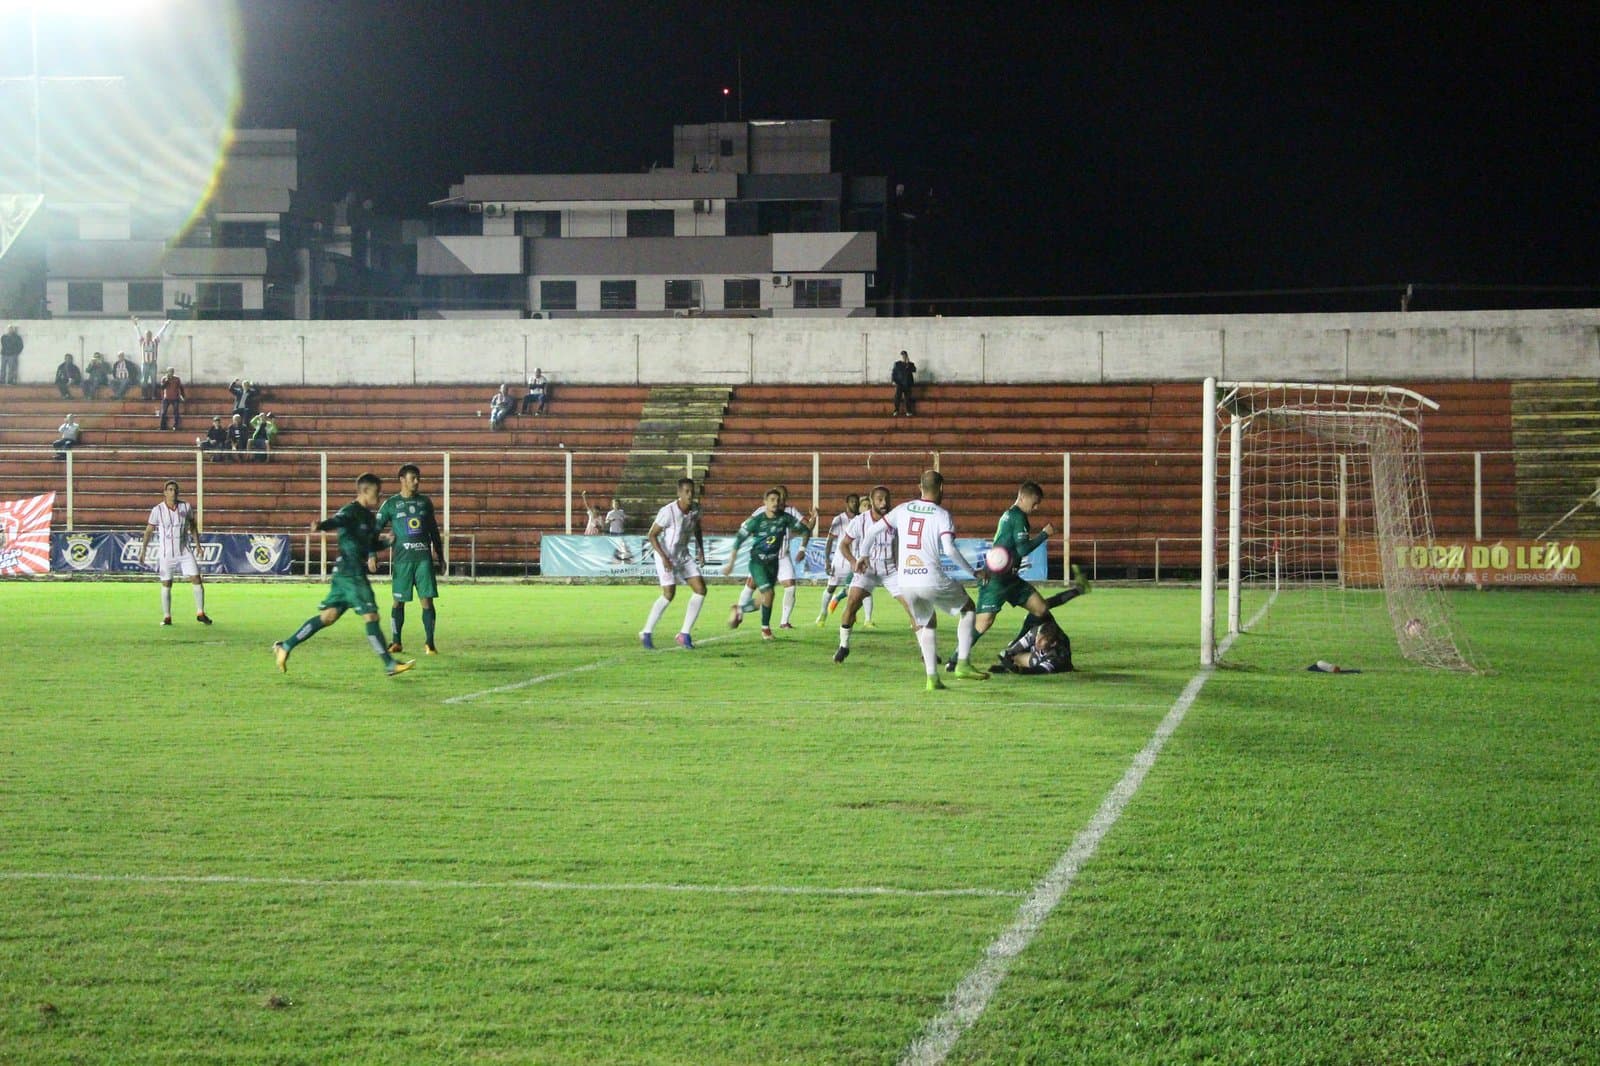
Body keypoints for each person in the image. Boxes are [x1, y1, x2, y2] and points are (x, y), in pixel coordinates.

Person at [855, 469, 988, 690]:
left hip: (905, 580)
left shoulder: (902, 509)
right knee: (968, 609)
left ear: (920, 487)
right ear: (942, 489)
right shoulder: (941, 514)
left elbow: (870, 533)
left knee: (927, 623)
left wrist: (863, 555)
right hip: (930, 577)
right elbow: (949, 549)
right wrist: (973, 572)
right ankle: (963, 662)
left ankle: (932, 679)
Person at [273, 472, 415, 677]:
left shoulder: (368, 516)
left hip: (345, 574)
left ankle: (285, 646)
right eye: (376, 492)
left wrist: (385, 542)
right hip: (351, 574)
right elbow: (337, 521)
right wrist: (321, 525)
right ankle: (389, 664)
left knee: (328, 617)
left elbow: (369, 545)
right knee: (371, 615)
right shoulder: (350, 511)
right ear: (365, 491)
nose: (379, 496)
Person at [953, 480, 1058, 671]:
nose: (1035, 508)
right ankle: (956, 659)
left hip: (1010, 578)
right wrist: (1044, 534)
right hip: (997, 580)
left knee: (1041, 609)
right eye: (1034, 503)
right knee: (983, 623)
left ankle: (1014, 649)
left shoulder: (1009, 514)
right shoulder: (1018, 517)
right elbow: (1023, 549)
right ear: (1023, 497)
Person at [722, 488, 816, 640]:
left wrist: (803, 546)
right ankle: (765, 630)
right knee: (767, 593)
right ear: (765, 502)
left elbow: (805, 530)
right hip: (758, 562)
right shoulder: (758, 519)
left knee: (763, 600)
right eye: (772, 500)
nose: (776, 503)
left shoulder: (785, 518)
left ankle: (739, 609)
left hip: (775, 562)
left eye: (777, 500)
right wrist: (731, 563)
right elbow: (739, 538)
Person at [375, 464, 445, 656]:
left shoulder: (425, 502)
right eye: (413, 478)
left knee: (427, 602)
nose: (416, 481)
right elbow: (375, 529)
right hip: (402, 561)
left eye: (418, 478)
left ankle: (430, 643)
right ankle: (396, 642)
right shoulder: (391, 504)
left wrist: (440, 555)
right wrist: (372, 554)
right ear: (402, 479)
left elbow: (434, 531)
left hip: (423, 560)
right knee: (398, 602)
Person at [832, 485, 907, 664]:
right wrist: (852, 562)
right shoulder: (860, 521)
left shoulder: (896, 520)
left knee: (912, 606)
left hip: (891, 570)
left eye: (887, 499)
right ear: (872, 501)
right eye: (880, 499)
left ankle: (925, 651)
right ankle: (843, 645)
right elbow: (844, 544)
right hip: (867, 570)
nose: (884, 503)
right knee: (852, 602)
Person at [639, 477, 708, 649]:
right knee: (669, 594)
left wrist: (700, 549)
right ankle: (646, 632)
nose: (690, 494)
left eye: (692, 491)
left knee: (700, 589)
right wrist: (664, 558)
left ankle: (684, 634)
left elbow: (697, 528)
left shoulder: (696, 509)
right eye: (686, 491)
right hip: (666, 555)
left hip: (682, 555)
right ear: (679, 493)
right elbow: (652, 535)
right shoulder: (668, 511)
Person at [135, 479, 213, 627]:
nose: (173, 492)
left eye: (175, 489)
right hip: (166, 553)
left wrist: (198, 545)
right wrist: (143, 550)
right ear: (165, 492)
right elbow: (149, 531)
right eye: (170, 489)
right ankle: (167, 616)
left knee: (196, 578)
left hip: (184, 550)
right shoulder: (157, 510)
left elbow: (193, 526)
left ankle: (200, 613)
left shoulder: (186, 507)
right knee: (167, 584)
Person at [815, 492, 861, 624]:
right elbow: (829, 540)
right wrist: (827, 561)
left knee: (861, 590)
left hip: (856, 560)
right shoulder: (839, 520)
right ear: (847, 503)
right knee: (831, 587)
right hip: (840, 561)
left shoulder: (862, 519)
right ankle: (823, 613)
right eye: (852, 501)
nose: (855, 504)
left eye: (856, 501)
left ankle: (864, 619)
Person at [991, 616, 1074, 675]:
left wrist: (1016, 669)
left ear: (1053, 643)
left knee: (1033, 662)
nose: (1037, 642)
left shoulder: (1057, 657)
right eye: (1038, 638)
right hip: (1040, 653)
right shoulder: (1036, 632)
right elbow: (1014, 649)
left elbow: (1038, 670)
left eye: (1042, 641)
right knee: (1014, 656)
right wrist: (1006, 657)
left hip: (1053, 662)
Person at [132, 315, 172, 402]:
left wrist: (166, 325)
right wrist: (136, 325)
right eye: (147, 335)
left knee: (154, 380)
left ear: (151, 335)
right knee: (144, 380)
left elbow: (161, 333)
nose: (149, 336)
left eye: (150, 335)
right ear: (145, 336)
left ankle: (154, 395)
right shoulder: (142, 341)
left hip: (153, 364)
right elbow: (138, 332)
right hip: (145, 364)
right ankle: (144, 395)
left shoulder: (155, 342)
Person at [892, 349, 917, 416]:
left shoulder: (911, 364)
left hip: (907, 383)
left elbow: (914, 370)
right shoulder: (897, 364)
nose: (904, 357)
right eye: (902, 355)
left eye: (905, 355)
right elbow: (894, 373)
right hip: (899, 383)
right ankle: (896, 410)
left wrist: (908, 364)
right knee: (897, 397)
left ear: (907, 356)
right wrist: (894, 380)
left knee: (908, 398)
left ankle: (908, 411)